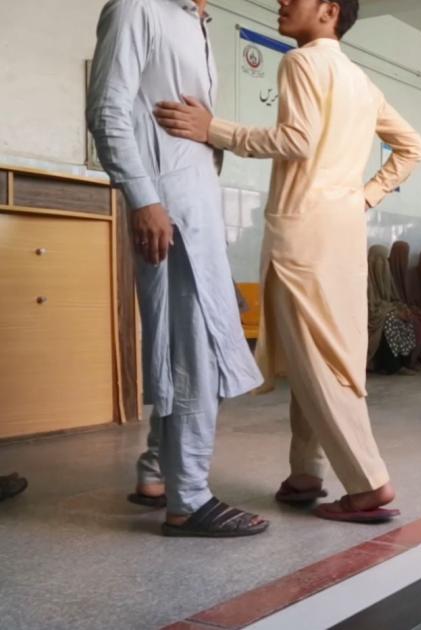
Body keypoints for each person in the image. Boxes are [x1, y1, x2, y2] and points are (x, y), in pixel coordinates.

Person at [154, 0, 421, 523]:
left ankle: (368, 483)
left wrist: (216, 129)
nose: (282, 1)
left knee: (315, 357)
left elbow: (295, 140)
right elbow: (412, 147)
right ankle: (306, 472)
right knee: (323, 351)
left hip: (302, 229)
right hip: (343, 229)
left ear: (328, 10)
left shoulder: (300, 62)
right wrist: (365, 196)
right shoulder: (360, 81)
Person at [89, 0, 267, 536]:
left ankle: (159, 476)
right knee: (193, 349)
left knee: (194, 342)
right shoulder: (137, 8)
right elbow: (107, 110)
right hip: (169, 208)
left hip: (195, 205)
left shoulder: (194, 20)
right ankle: (188, 499)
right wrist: (144, 199)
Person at [367, 245, 421, 375]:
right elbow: (370, 305)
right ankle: (393, 366)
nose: (381, 264)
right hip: (372, 315)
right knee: (391, 320)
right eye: (378, 259)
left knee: (406, 320)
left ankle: (406, 362)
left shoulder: (386, 273)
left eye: (384, 259)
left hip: (385, 310)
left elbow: (394, 298)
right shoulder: (366, 277)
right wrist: (393, 311)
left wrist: (403, 309)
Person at [388, 241, 421, 367]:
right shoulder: (386, 271)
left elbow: (412, 297)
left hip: (408, 307)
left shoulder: (407, 274)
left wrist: (413, 307)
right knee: (416, 322)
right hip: (393, 309)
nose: (405, 258)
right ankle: (409, 360)